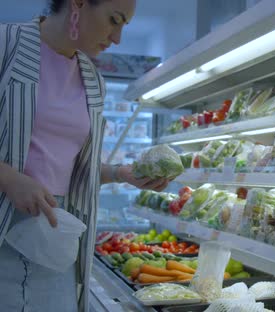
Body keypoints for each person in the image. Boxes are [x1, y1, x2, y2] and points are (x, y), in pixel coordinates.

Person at [0, 0, 168, 311]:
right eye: (113, 20)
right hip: (5, 225)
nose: (116, 37)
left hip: (59, 234)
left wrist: (121, 173)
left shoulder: (93, 80)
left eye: (124, 26)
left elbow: (74, 168)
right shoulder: (6, 44)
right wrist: (8, 178)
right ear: (77, 4)